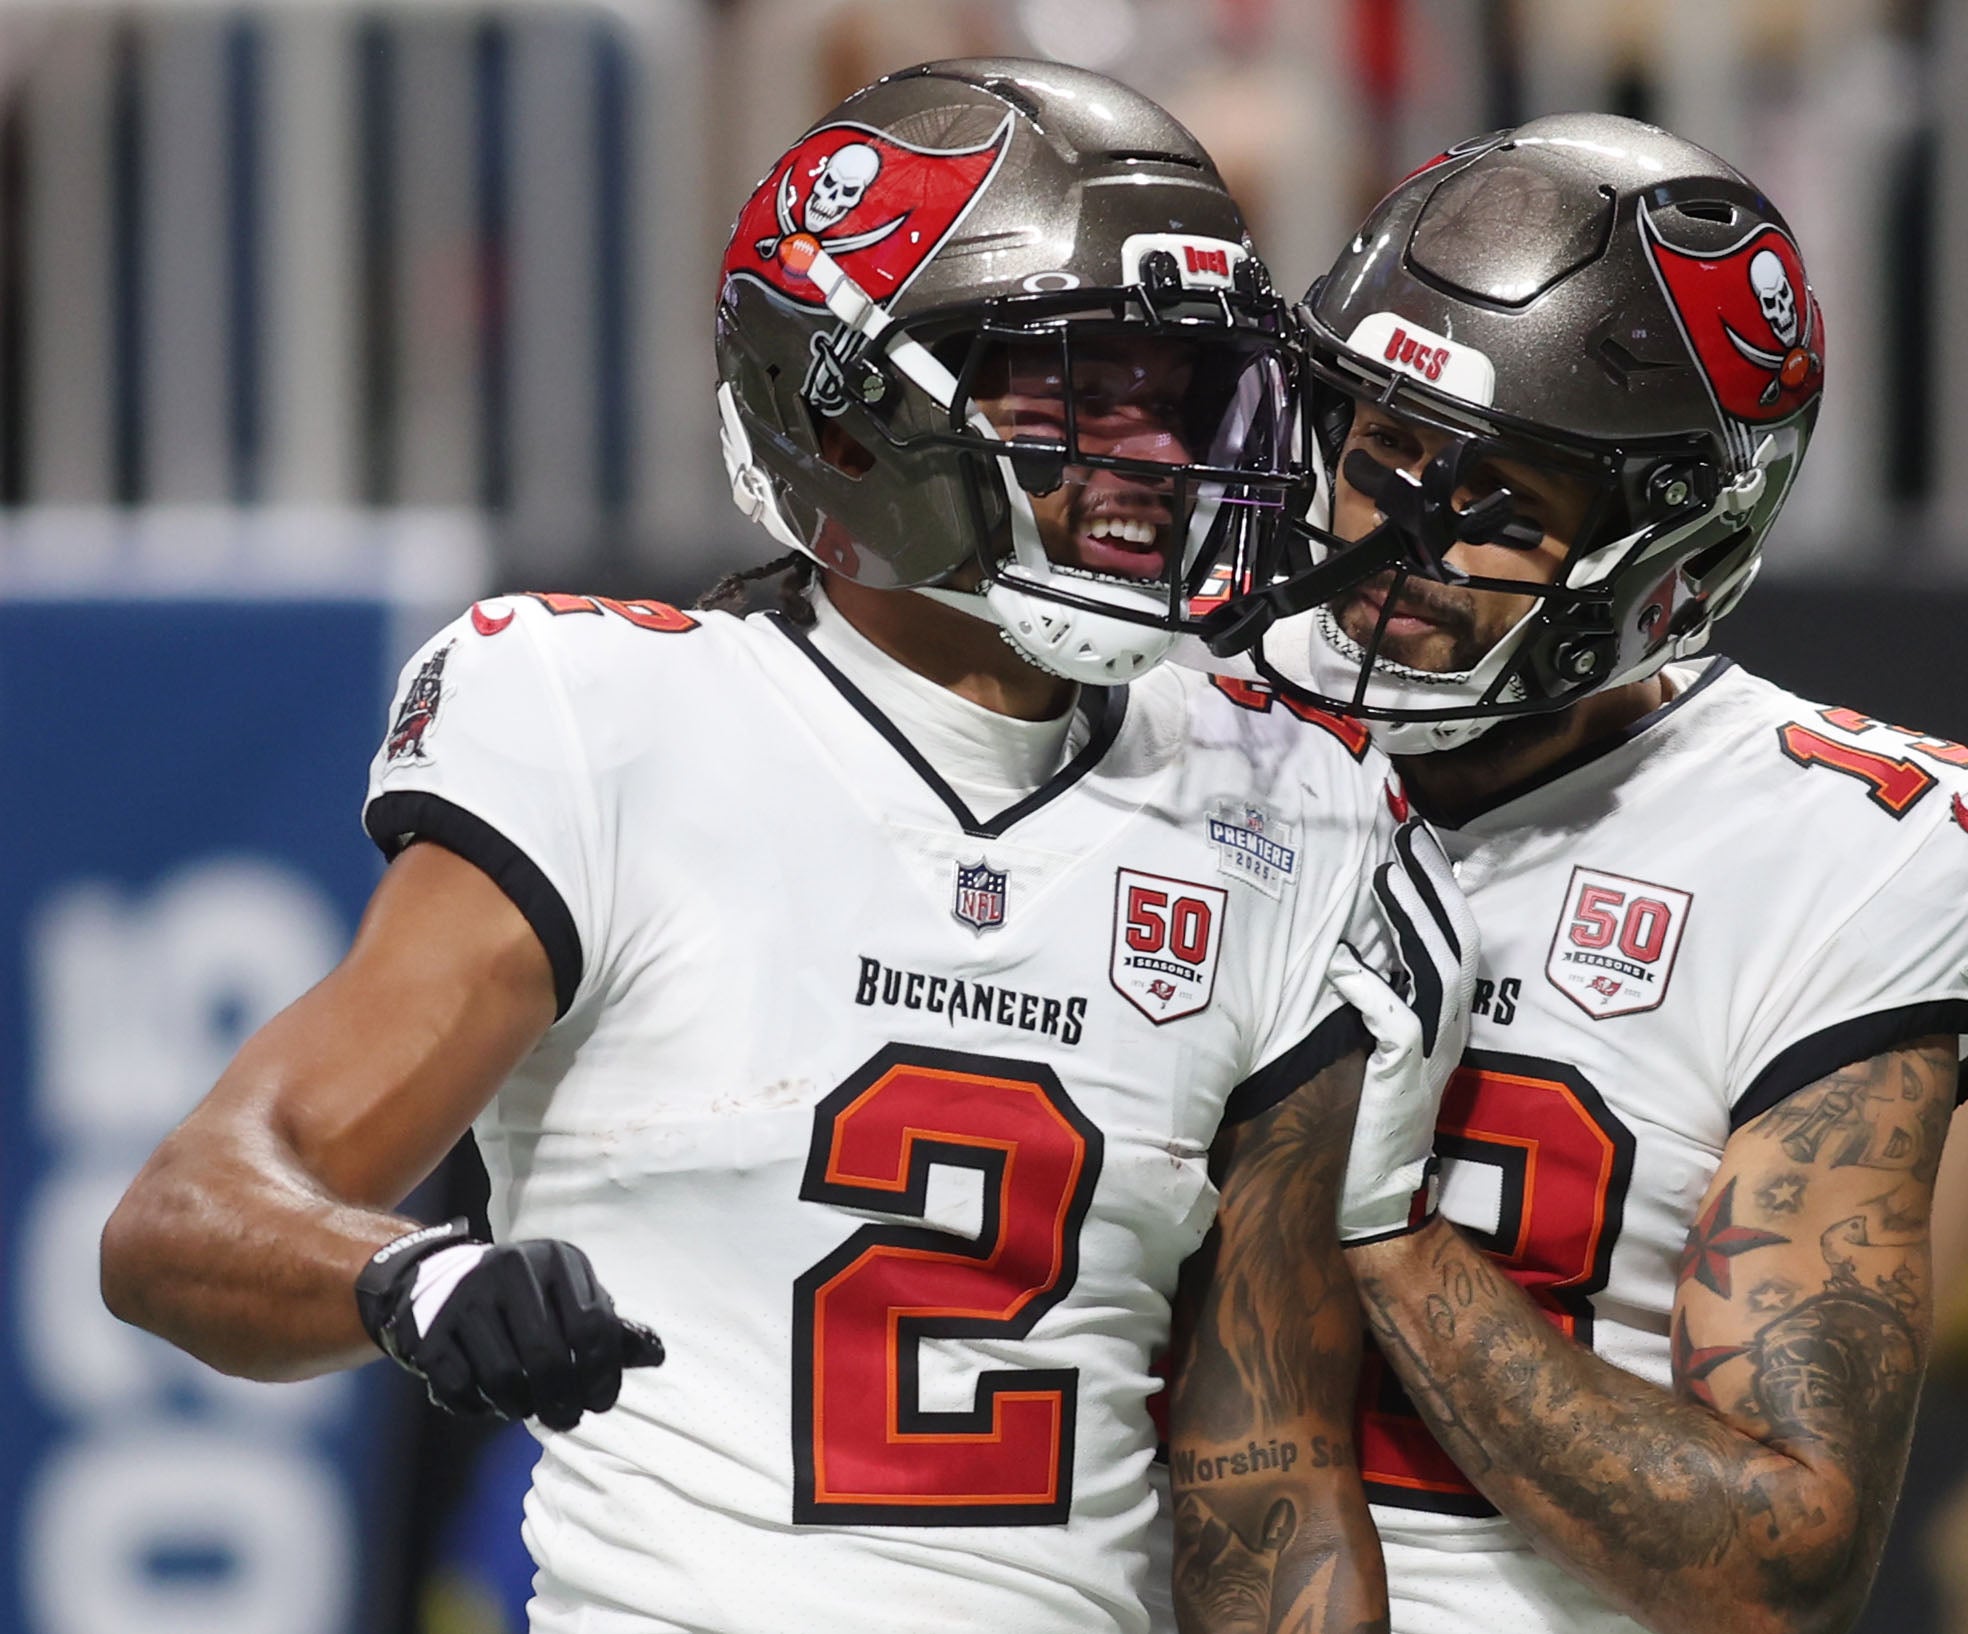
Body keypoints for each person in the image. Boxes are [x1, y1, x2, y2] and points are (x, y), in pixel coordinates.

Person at [98, 61, 1466, 1634]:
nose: (1154, 460)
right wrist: (409, 1279)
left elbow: (1263, 1469)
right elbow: (183, 1217)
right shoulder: (608, 719)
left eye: (1177, 392)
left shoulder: (1281, 798)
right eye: (1078, 392)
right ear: (852, 411)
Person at [1209, 115, 1968, 1634]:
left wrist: (1383, 1224)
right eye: (1382, 442)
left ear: (1673, 555)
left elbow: (1783, 1568)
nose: (1395, 537)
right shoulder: (1175, 723)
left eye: (1495, 505)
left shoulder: (1845, 841)